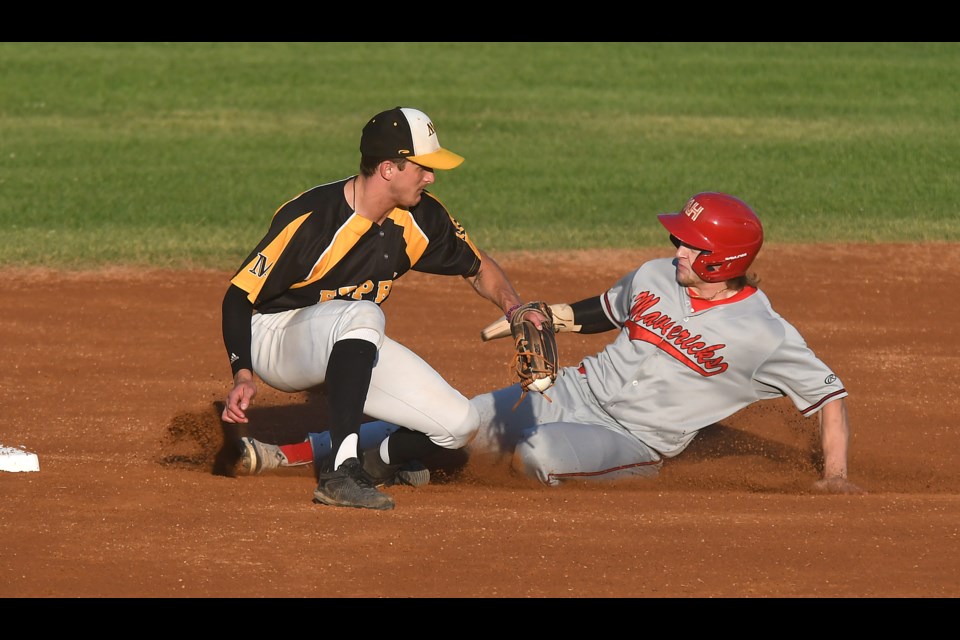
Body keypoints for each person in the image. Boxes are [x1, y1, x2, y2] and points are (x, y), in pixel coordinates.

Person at [236, 191, 865, 495]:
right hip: (568, 392)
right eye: (677, 239)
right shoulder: (653, 276)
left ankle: (415, 469)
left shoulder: (764, 334)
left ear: (723, 259)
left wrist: (834, 477)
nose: (676, 249)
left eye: (689, 246)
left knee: (535, 456)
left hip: (633, 440)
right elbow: (601, 310)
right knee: (455, 422)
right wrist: (542, 315)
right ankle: (295, 451)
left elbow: (828, 395)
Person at [221, 106, 545, 511]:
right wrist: (243, 374)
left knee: (460, 424)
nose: (430, 177)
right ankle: (340, 474)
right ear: (388, 168)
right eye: (422, 168)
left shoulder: (421, 217)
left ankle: (377, 463)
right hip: (276, 337)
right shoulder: (313, 218)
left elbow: (478, 268)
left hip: (347, 335)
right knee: (363, 312)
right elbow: (238, 296)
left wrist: (514, 309)